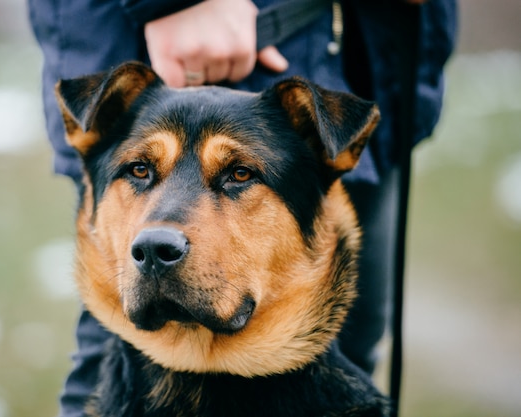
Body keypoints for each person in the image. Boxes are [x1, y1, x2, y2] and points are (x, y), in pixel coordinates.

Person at [27, 1, 456, 415]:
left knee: (358, 339)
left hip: (368, 46)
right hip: (169, 26)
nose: (158, 233)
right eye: (140, 169)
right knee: (103, 361)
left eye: (238, 175)